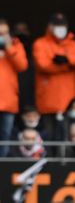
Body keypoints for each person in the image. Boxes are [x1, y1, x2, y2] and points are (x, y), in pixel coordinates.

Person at [33, 13, 75, 140]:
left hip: (68, 100)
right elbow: (43, 65)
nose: (60, 28)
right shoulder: (40, 43)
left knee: (68, 135)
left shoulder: (73, 44)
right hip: (48, 99)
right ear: (50, 26)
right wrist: (68, 67)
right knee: (49, 135)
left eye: (62, 25)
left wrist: (67, 59)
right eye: (57, 25)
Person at [0, 19, 28, 157]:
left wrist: (9, 48)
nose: (2, 36)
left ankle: (2, 167)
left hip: (8, 101)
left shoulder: (16, 46)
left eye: (5, 33)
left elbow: (22, 66)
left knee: (5, 137)